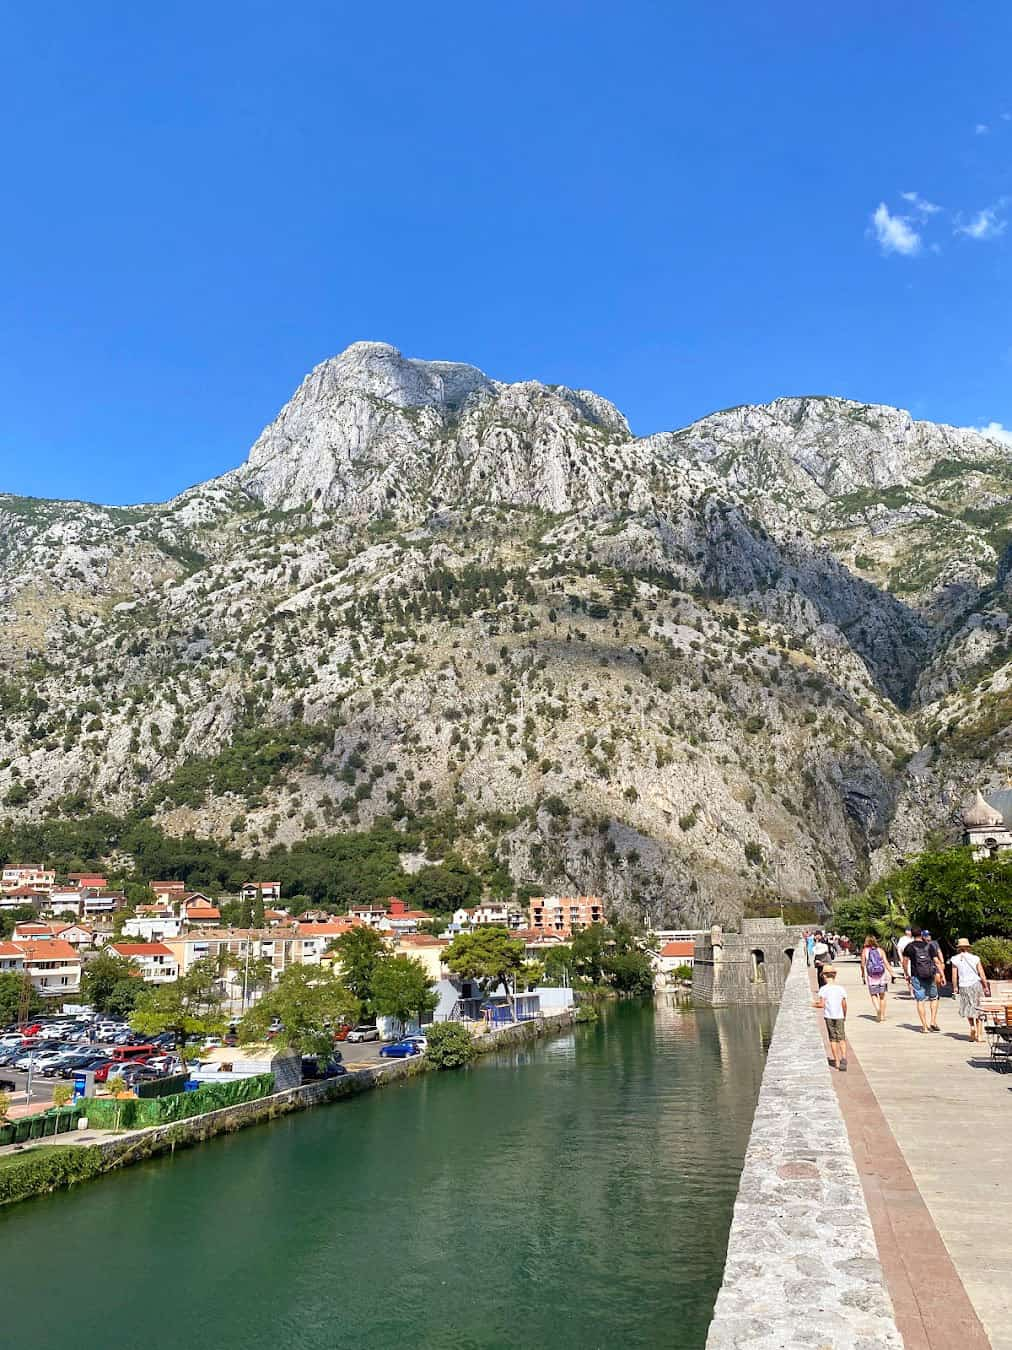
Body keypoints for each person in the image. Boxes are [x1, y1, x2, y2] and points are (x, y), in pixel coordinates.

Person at [902, 926, 945, 1032]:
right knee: (934, 998)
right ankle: (933, 1021)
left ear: (911, 934)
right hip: (930, 975)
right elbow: (936, 961)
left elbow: (905, 962)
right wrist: (942, 975)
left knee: (920, 1000)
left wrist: (907, 974)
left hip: (916, 976)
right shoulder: (929, 946)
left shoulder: (909, 947)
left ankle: (925, 1027)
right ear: (921, 934)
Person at [950, 938, 990, 1042]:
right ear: (968, 947)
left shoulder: (955, 959)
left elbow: (954, 976)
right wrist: (985, 986)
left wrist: (955, 988)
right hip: (976, 984)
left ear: (958, 948)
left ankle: (972, 1027)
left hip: (963, 986)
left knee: (968, 1008)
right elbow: (982, 974)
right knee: (979, 1009)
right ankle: (980, 1035)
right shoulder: (975, 958)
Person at [813, 966, 848, 1071]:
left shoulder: (823, 989)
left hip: (829, 1017)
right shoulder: (840, 989)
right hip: (839, 1016)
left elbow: (821, 1005)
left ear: (824, 976)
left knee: (833, 1039)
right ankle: (844, 1058)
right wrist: (844, 1015)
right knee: (841, 1038)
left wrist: (812, 1004)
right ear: (835, 975)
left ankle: (836, 1061)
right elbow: (844, 1004)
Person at [860, 934, 890, 1022]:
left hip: (871, 976)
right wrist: (891, 973)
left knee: (873, 995)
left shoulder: (865, 951)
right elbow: (886, 962)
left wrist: (862, 974)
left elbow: (862, 965)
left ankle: (878, 1009)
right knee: (882, 995)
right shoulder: (880, 950)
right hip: (881, 975)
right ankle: (883, 1015)